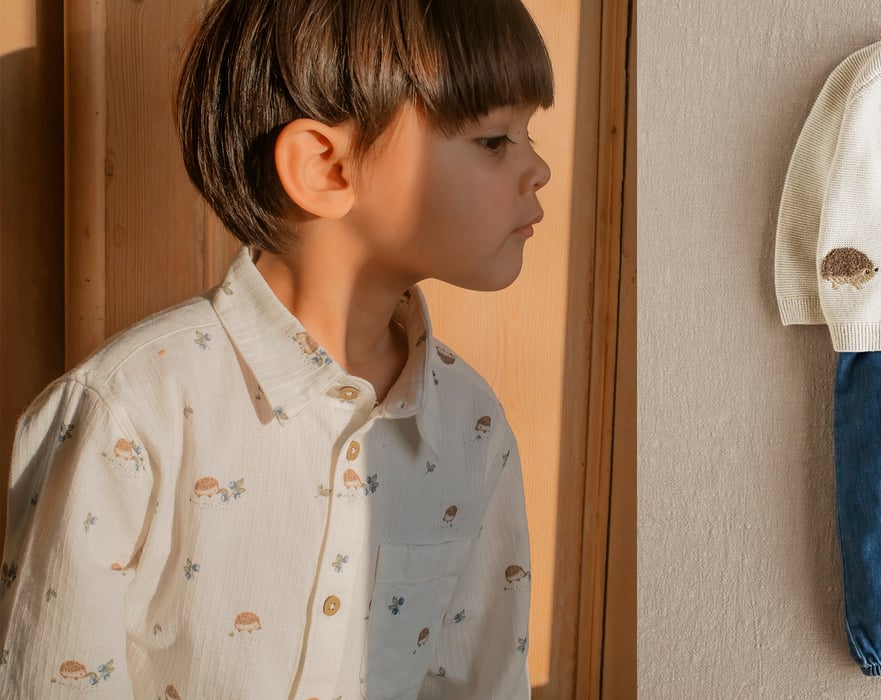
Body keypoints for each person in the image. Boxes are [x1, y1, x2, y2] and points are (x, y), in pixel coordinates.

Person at [0, 0, 552, 697]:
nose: (539, 169)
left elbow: (483, 680)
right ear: (325, 168)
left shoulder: (474, 430)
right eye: (495, 140)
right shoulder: (130, 417)